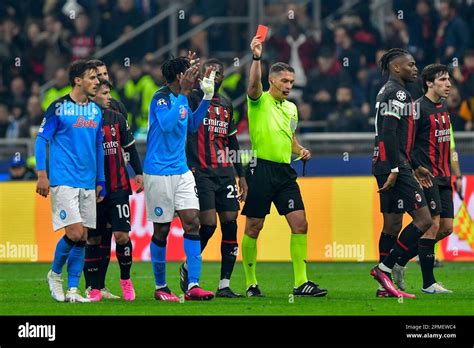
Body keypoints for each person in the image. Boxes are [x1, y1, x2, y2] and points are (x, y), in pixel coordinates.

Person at [241, 35, 327, 298]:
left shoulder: (291, 108)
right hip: (259, 169)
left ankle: (301, 283)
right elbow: (253, 83)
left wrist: (300, 150)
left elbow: (290, 138)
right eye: (285, 81)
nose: (289, 86)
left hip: (284, 173)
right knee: (254, 227)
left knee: (300, 223)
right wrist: (257, 57)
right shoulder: (258, 101)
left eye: (292, 82)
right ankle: (251, 282)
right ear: (272, 81)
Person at [144, 56, 216, 301]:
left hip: (182, 171)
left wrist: (206, 97)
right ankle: (161, 287)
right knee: (162, 230)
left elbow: (193, 125)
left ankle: (193, 285)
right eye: (190, 72)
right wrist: (185, 94)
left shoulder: (184, 98)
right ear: (179, 77)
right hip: (158, 172)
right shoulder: (160, 98)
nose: (195, 76)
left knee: (192, 222)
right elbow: (165, 125)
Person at [35, 60, 105, 303]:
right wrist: (42, 175)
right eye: (92, 77)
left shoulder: (95, 111)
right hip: (64, 179)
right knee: (74, 233)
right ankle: (55, 274)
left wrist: (100, 180)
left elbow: (98, 146)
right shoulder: (58, 107)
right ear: (78, 80)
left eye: (98, 78)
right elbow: (41, 139)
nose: (97, 82)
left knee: (83, 236)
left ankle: (74, 290)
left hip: (87, 182)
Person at [181, 58, 248, 298]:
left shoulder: (227, 104)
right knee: (208, 225)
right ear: (200, 77)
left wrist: (241, 174)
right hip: (200, 172)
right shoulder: (191, 99)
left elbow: (232, 140)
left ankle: (224, 285)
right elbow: (186, 131)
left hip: (225, 172)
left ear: (222, 78)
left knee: (231, 223)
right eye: (209, 73)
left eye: (218, 73)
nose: (214, 76)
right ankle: (189, 267)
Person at [370, 48, 433, 298]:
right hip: (393, 165)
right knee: (424, 220)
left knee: (392, 224)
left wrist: (412, 163)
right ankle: (385, 269)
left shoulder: (386, 90)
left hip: (386, 162)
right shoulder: (398, 92)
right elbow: (388, 131)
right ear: (397, 68)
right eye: (411, 64)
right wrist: (396, 167)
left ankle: (383, 288)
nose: (415, 68)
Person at [393, 64, 456, 294]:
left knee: (446, 228)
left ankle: (399, 262)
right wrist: (416, 168)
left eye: (448, 79)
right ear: (429, 83)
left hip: (444, 175)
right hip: (426, 176)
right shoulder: (417, 108)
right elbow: (403, 144)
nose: (448, 84)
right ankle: (428, 283)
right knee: (432, 224)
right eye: (442, 80)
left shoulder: (443, 107)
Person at [83, 79, 144, 301]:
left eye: (110, 92)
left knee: (121, 236)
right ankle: (93, 288)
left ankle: (125, 280)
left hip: (118, 186)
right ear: (92, 95)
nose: (110, 97)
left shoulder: (116, 118)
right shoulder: (84, 122)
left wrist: (138, 172)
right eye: (105, 93)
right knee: (94, 238)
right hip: (94, 189)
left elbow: (130, 147)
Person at [86, 59, 131, 299]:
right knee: (94, 236)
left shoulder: (118, 109)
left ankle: (103, 286)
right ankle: (91, 285)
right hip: (90, 184)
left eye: (105, 73)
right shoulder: (82, 111)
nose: (103, 78)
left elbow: (126, 142)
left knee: (114, 234)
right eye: (97, 75)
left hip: (115, 182)